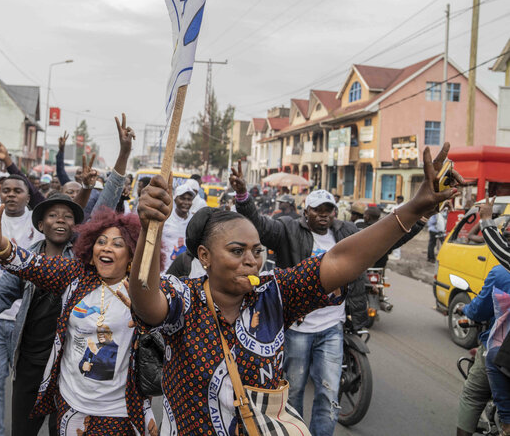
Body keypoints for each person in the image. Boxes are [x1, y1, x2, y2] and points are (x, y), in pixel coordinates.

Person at [128, 144, 461, 435]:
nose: (251, 261)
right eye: (236, 251)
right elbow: (145, 300)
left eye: (257, 251)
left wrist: (413, 210)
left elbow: (340, 260)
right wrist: (149, 229)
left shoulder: (274, 293)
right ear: (205, 257)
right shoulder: (184, 296)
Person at [0, 115, 133, 436]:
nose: (61, 220)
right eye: (53, 215)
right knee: (22, 431)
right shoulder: (28, 259)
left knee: (60, 431)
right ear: (41, 224)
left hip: (67, 365)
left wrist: (122, 156)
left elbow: (106, 202)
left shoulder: (82, 256)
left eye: (69, 216)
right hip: (28, 365)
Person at [0, 202, 157, 435]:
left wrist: (146, 320)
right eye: (101, 242)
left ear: (132, 254)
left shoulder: (143, 292)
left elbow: (166, 324)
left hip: (118, 411)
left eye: (117, 244)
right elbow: (31, 265)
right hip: (71, 406)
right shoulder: (76, 275)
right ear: (91, 252)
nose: (107, 248)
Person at [229, 163, 381, 436]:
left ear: (334, 212)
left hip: (332, 327)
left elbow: (384, 239)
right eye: (317, 210)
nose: (323, 215)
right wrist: (242, 196)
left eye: (328, 210)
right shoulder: (288, 230)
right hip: (298, 328)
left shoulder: (345, 232)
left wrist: (419, 214)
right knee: (294, 391)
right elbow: (261, 225)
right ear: (306, 212)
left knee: (329, 394)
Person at [454, 224, 510, 436]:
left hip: (500, 350)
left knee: (473, 394)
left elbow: (479, 310)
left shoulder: (500, 273)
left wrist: (465, 309)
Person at [160, 183, 196, 270]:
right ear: (175, 199)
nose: (186, 203)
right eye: (182, 198)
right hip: (164, 270)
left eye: (189, 199)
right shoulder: (165, 218)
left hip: (184, 272)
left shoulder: (194, 221)